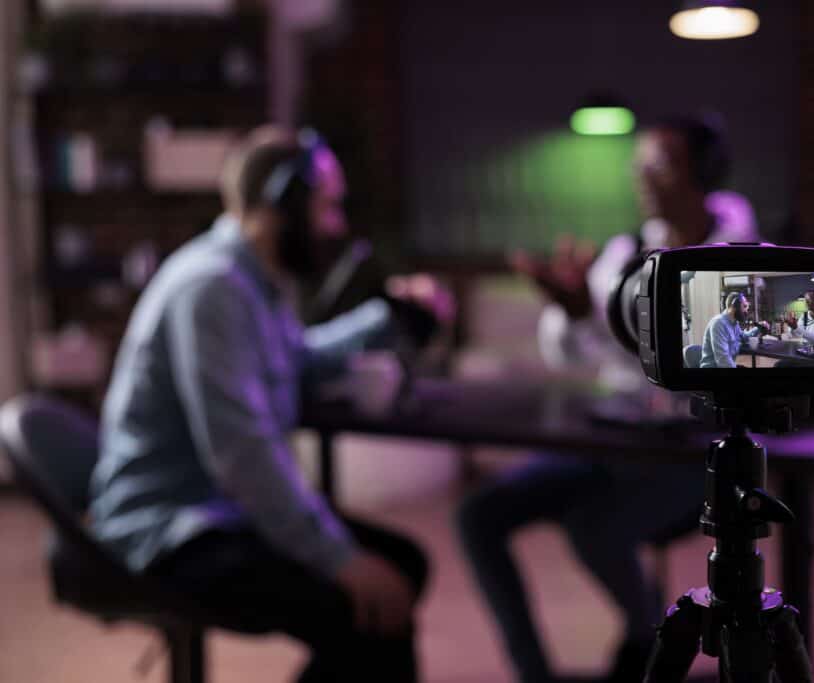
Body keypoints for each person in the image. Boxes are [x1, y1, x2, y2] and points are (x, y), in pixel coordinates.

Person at [88, 127, 429, 682]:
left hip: (222, 513)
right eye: (328, 207)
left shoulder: (253, 283)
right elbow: (242, 454)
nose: (336, 225)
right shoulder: (212, 290)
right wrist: (339, 558)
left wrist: (389, 318)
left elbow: (299, 361)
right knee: (366, 611)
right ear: (283, 204)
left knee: (402, 569)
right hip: (173, 529)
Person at [456, 114, 758, 683]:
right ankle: (540, 673)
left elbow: (702, 361)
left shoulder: (742, 257)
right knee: (478, 515)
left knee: (593, 527)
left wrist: (603, 327)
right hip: (616, 439)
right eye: (639, 161)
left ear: (703, 174)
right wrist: (572, 312)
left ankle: (649, 641)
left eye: (659, 162)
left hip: (696, 455)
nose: (641, 174)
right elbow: (569, 354)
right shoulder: (627, 250)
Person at [699, 292, 762, 368]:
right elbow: (723, 360)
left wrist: (759, 327)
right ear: (734, 305)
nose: (746, 311)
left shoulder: (734, 323)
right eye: (744, 306)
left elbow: (744, 337)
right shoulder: (718, 324)